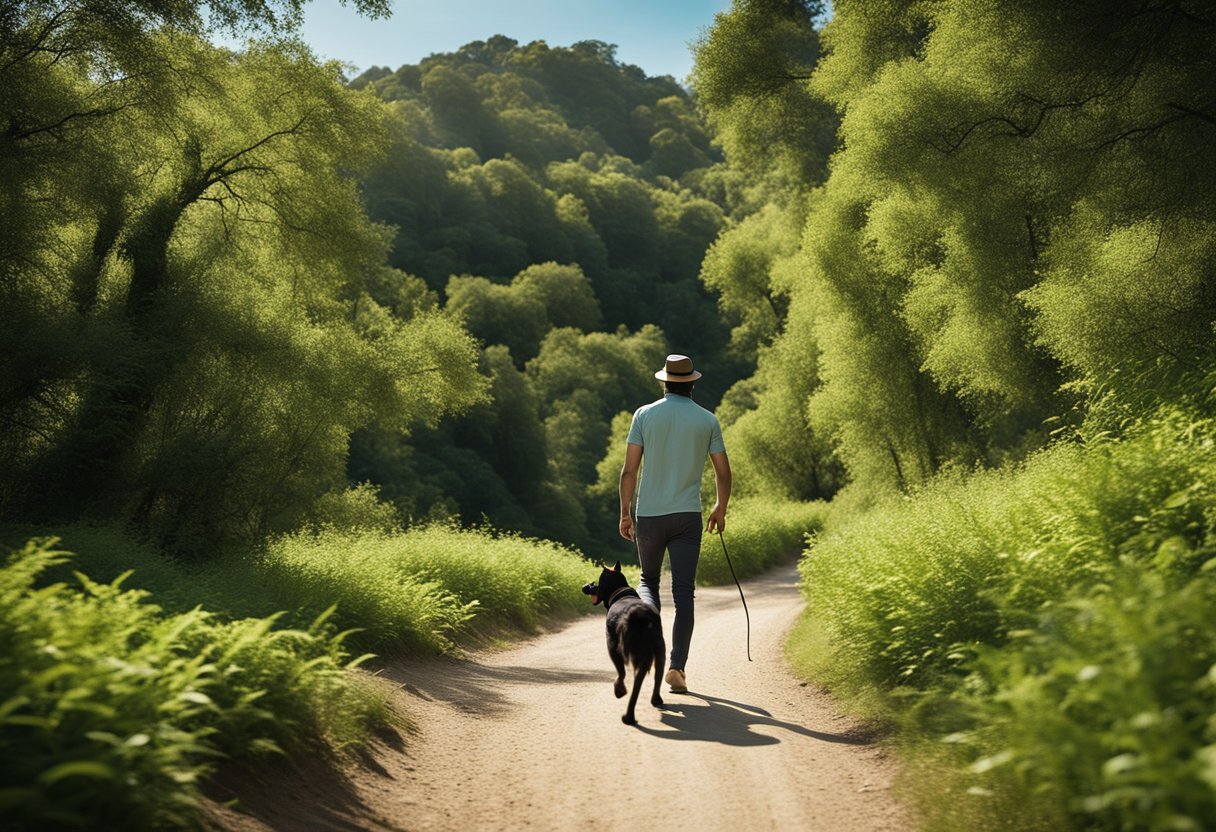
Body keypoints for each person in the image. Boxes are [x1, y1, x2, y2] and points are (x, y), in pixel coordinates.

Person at [618, 354, 731, 693]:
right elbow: (723, 473)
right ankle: (677, 668)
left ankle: (646, 633)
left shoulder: (644, 415)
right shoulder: (707, 420)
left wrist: (625, 511)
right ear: (692, 383)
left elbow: (629, 471)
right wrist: (719, 507)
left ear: (663, 382)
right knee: (684, 593)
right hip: (686, 517)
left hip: (650, 515)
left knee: (648, 581)